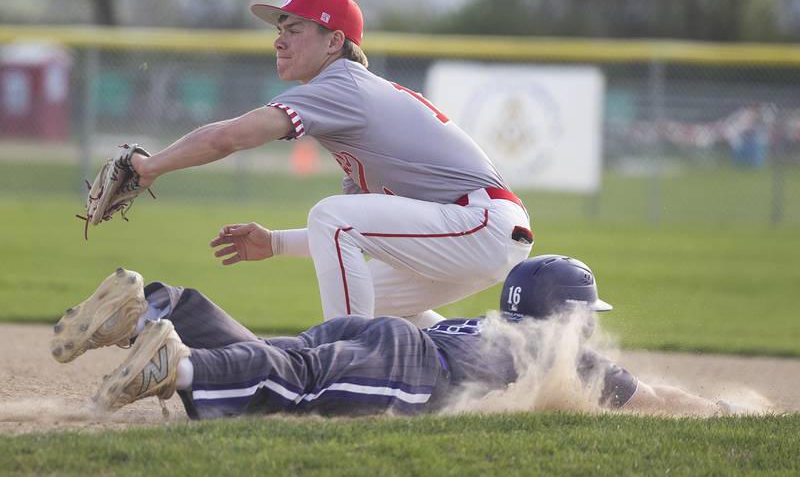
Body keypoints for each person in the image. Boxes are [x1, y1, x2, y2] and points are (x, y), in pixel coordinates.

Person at [123, 0, 532, 328]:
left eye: (296, 28)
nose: (279, 39)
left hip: (480, 223)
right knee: (372, 302)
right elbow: (357, 232)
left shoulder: (342, 85)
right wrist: (275, 243)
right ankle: (475, 363)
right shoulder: (351, 106)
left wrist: (148, 167)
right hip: (478, 229)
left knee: (330, 216)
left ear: (334, 41)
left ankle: (346, 363)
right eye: (280, 29)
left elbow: (229, 137)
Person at [50, 255, 742, 418]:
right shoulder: (557, 350)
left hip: (393, 332)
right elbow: (650, 394)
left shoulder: (491, 324)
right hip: (413, 361)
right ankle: (181, 366)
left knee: (294, 353)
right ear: (569, 317)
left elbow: (428, 321)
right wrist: (712, 409)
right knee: (300, 380)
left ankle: (152, 309)